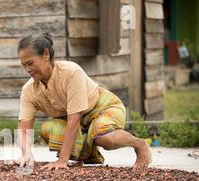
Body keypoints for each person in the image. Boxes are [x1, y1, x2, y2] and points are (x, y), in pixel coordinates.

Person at [16, 33, 152, 170]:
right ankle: (86, 153)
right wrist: (26, 154)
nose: (27, 69)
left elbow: (74, 118)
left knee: (103, 138)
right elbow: (24, 128)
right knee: (48, 129)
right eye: (23, 65)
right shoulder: (29, 90)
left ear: (46, 55)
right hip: (79, 123)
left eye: (30, 63)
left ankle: (139, 144)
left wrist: (62, 160)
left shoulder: (70, 72)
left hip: (102, 108)